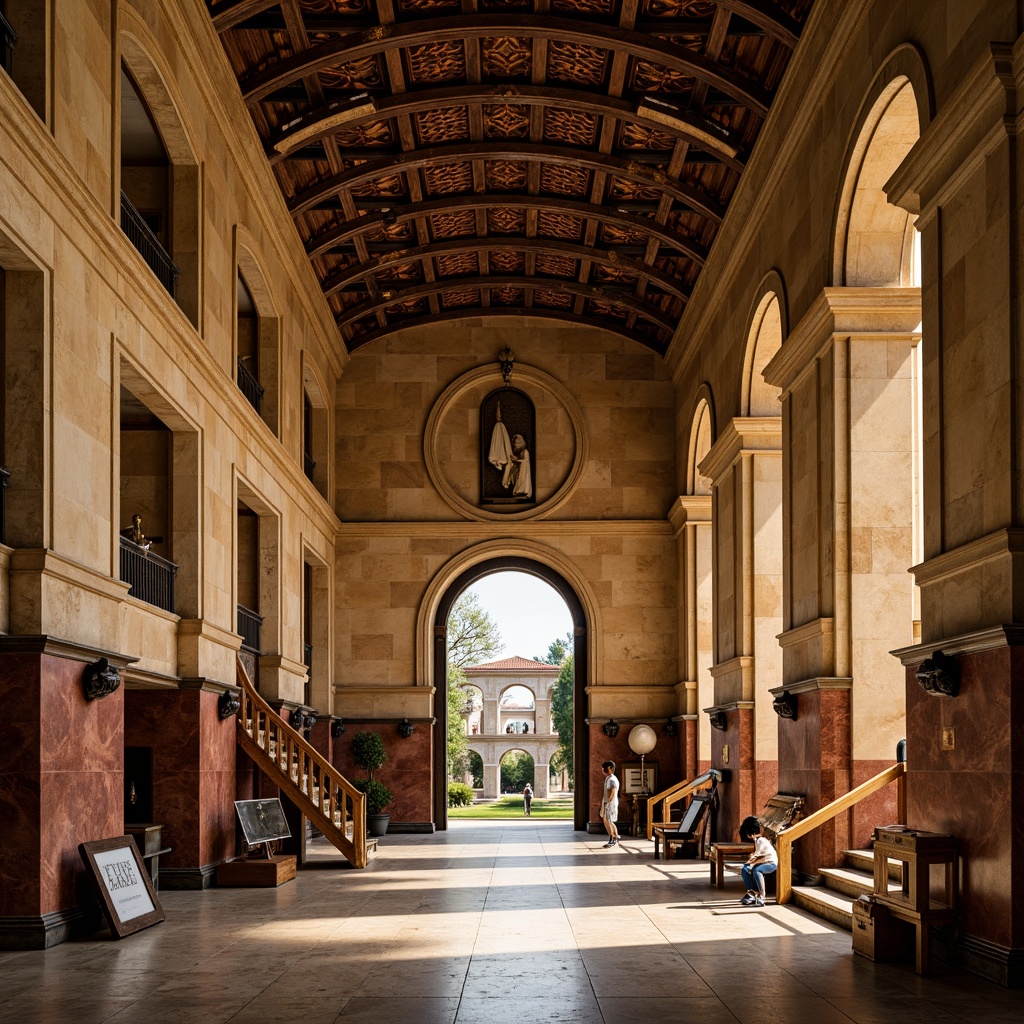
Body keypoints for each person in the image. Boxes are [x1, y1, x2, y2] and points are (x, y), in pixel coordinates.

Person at [739, 815, 777, 907]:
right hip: (763, 862)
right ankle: (752, 893)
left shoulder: (761, 841)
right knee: (745, 869)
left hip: (770, 863)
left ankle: (762, 896)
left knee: (757, 871)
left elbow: (758, 855)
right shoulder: (758, 841)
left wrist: (749, 863)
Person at [600, 760, 620, 847]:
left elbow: (612, 791)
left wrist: (608, 802)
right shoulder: (609, 778)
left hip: (610, 803)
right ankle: (613, 837)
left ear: (609, 768)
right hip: (607, 802)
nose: (603, 770)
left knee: (609, 821)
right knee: (607, 821)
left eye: (604, 768)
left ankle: (613, 838)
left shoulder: (611, 779)